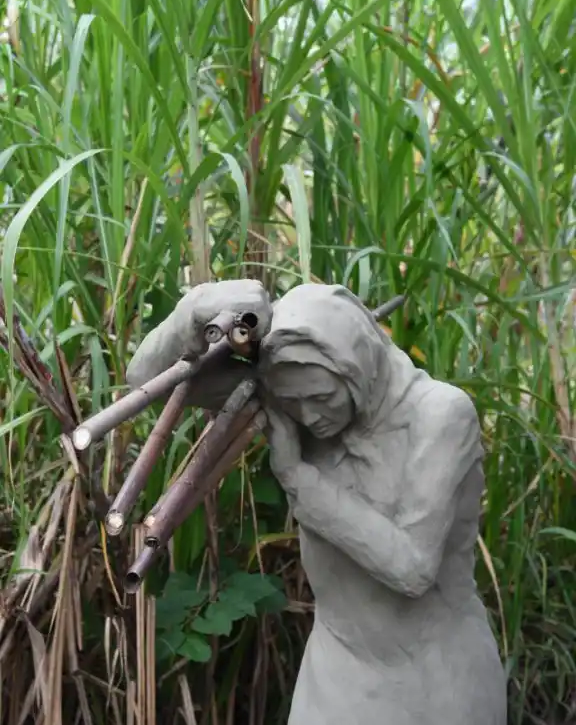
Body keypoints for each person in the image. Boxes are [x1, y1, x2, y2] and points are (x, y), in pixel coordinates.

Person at [127, 279, 507, 725]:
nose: (308, 416)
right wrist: (193, 312)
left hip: (435, 681)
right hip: (337, 674)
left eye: (321, 399)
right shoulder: (301, 390)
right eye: (295, 403)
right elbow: (145, 384)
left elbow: (413, 567)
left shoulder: (441, 416)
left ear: (355, 368)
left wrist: (300, 481)